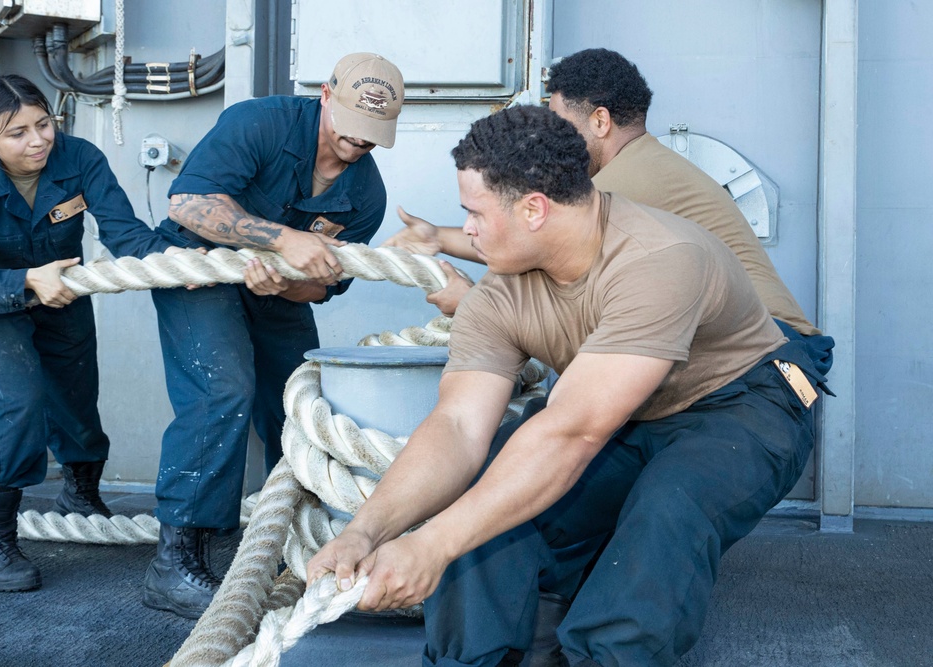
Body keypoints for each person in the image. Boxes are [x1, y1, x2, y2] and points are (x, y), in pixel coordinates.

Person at [306, 105, 832, 666]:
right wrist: (366, 532)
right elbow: (458, 425)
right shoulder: (500, 294)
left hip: (741, 404)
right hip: (627, 414)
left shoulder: (657, 259)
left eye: (475, 214)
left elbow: (571, 434)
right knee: (484, 496)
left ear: (534, 208)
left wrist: (427, 548)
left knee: (668, 512)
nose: (469, 231)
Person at [142, 52, 404, 619]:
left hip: (274, 288)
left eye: (372, 136)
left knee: (300, 404)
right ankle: (176, 559)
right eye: (351, 127)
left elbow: (321, 289)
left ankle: (287, 543)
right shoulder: (259, 122)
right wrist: (280, 242)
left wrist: (281, 285)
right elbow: (187, 204)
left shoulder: (366, 197)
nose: (358, 144)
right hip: (198, 264)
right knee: (223, 392)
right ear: (326, 95)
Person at [0, 75, 184, 592]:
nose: (38, 140)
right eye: (17, 132)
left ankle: (80, 494)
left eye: (43, 124)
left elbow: (124, 232)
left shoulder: (81, 159)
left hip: (65, 296)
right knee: (19, 403)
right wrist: (24, 282)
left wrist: (175, 259)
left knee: (76, 398)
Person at [384, 48, 821, 344]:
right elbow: (527, 240)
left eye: (560, 122)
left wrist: (472, 303)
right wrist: (438, 237)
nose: (552, 137)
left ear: (600, 121)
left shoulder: (624, 185)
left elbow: (531, 246)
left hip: (775, 347)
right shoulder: (641, 167)